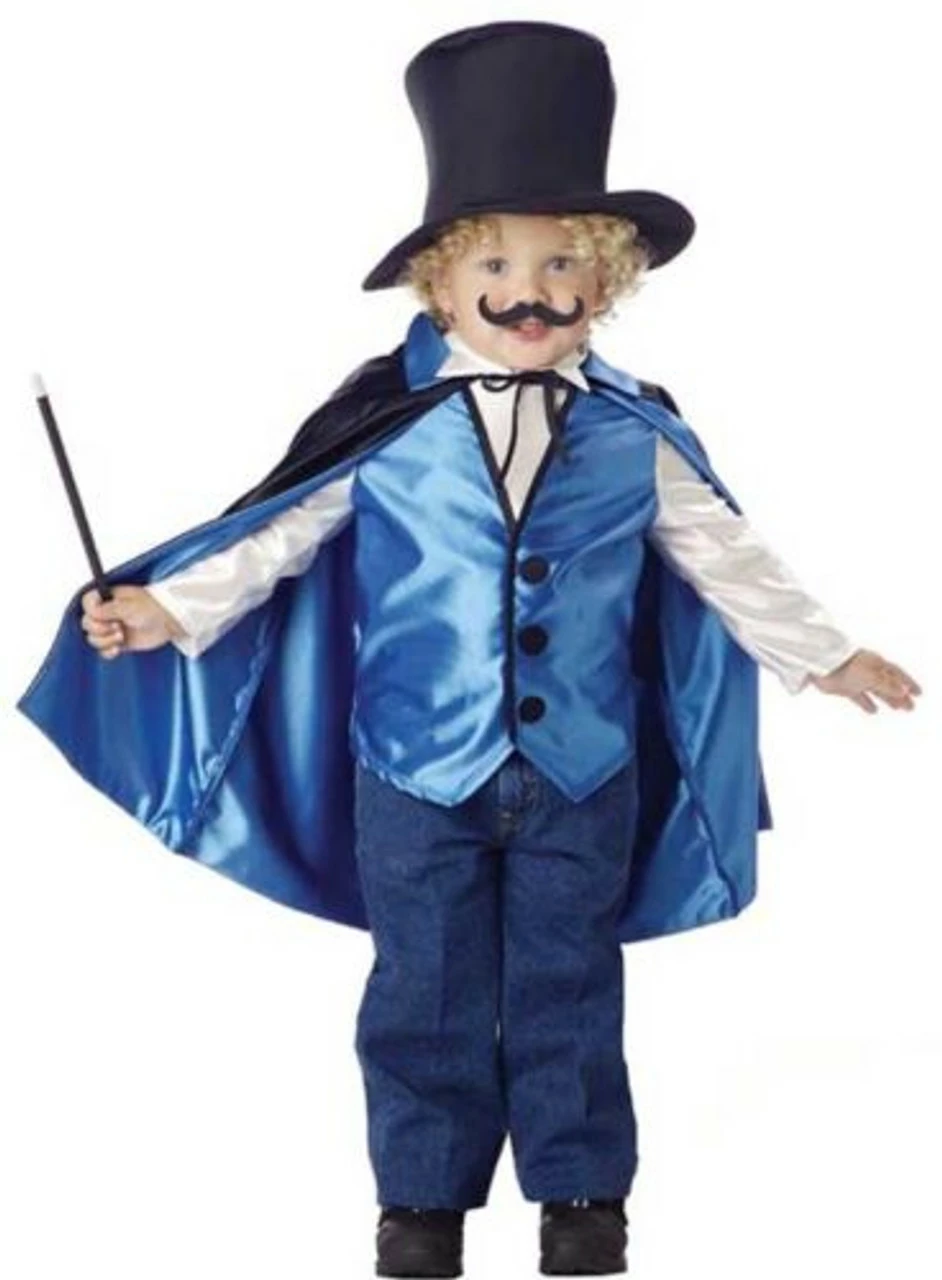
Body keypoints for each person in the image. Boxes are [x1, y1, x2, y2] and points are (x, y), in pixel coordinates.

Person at [26, 22, 921, 1279]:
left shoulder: (636, 432)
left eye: (562, 261)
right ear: (442, 286)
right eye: (495, 260)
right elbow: (274, 535)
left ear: (605, 280)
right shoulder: (387, 422)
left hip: (583, 769)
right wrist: (166, 610)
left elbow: (728, 556)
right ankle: (422, 1200)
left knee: (570, 980)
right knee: (424, 986)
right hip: (412, 768)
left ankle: (581, 1193)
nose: (529, 287)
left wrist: (825, 654)